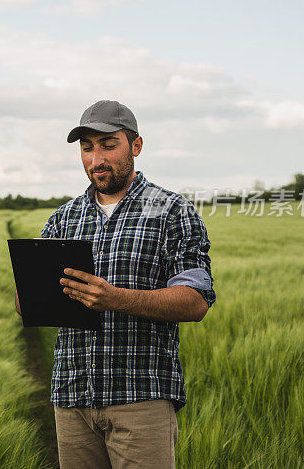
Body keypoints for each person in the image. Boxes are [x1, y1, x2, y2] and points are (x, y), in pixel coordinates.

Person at [14, 100, 215, 469]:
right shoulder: (64, 217)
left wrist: (114, 298)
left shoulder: (172, 211)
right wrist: (31, 289)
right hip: (72, 398)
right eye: (87, 148)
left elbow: (196, 300)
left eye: (109, 145)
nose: (96, 159)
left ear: (135, 146)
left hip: (141, 400)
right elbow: (25, 303)